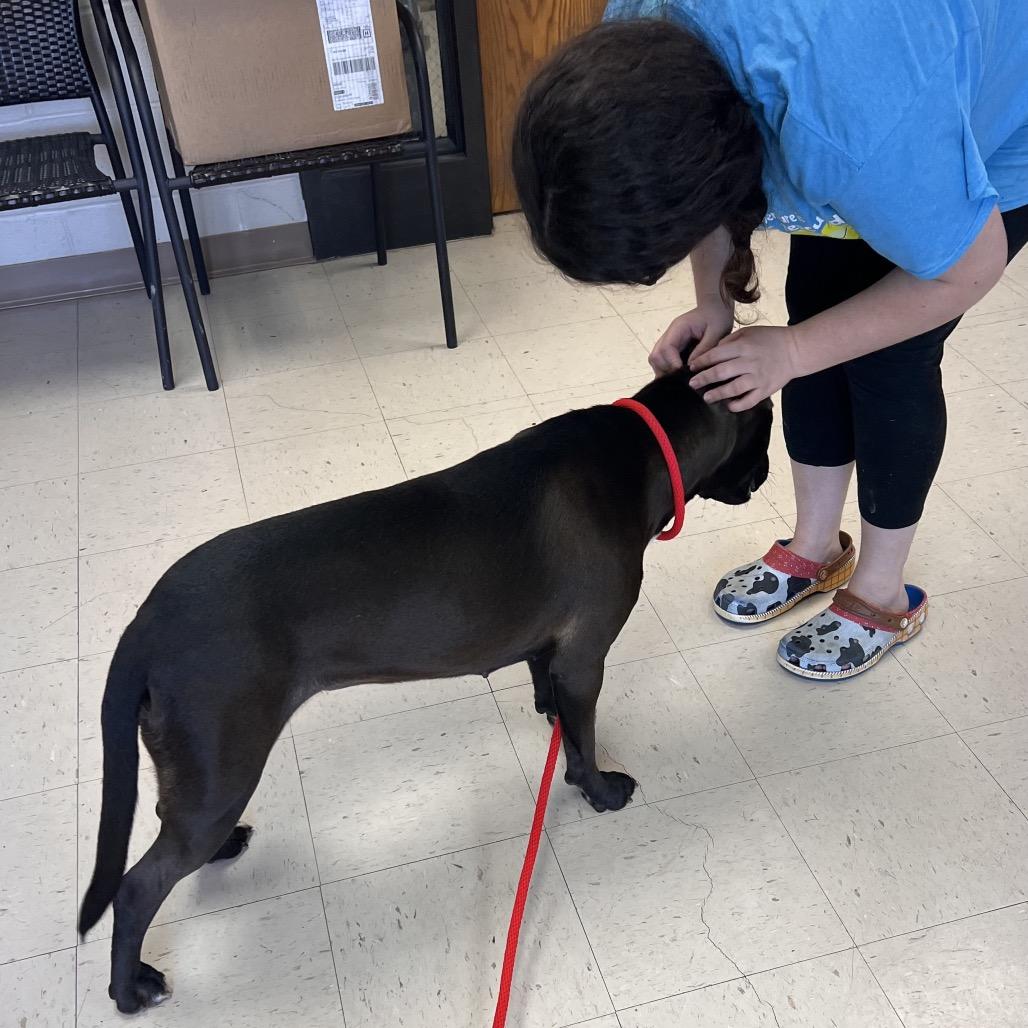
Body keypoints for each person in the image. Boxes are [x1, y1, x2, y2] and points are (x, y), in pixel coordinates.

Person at [511, 0, 1028, 680]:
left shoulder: (848, 122)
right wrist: (712, 300)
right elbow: (705, 173)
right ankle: (817, 545)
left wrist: (793, 350)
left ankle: (882, 591)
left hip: (993, 107)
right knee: (813, 308)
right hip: (872, 97)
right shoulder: (638, 29)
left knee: (889, 359)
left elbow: (969, 267)